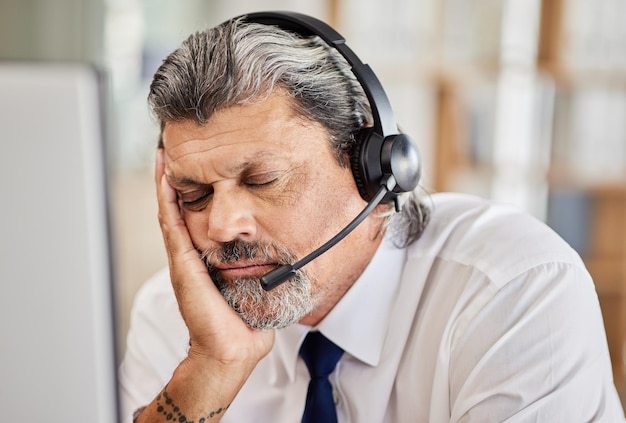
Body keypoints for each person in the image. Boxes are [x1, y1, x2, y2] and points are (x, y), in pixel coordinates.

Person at [119, 11, 625, 423]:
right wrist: (211, 367)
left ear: (374, 167)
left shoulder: (516, 288)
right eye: (193, 194)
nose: (222, 226)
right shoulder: (173, 317)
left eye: (262, 181)